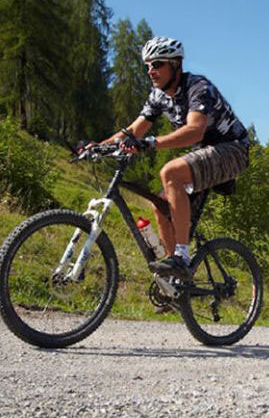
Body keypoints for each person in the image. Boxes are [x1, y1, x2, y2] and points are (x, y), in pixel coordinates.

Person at [95, 36, 250, 279]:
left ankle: (181, 256)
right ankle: (175, 279)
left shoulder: (198, 88)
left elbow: (195, 130)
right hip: (203, 154)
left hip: (233, 150)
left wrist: (151, 143)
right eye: (147, 65)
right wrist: (97, 147)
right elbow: (133, 130)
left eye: (157, 64)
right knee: (160, 207)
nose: (150, 71)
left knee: (170, 172)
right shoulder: (158, 95)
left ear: (175, 64)